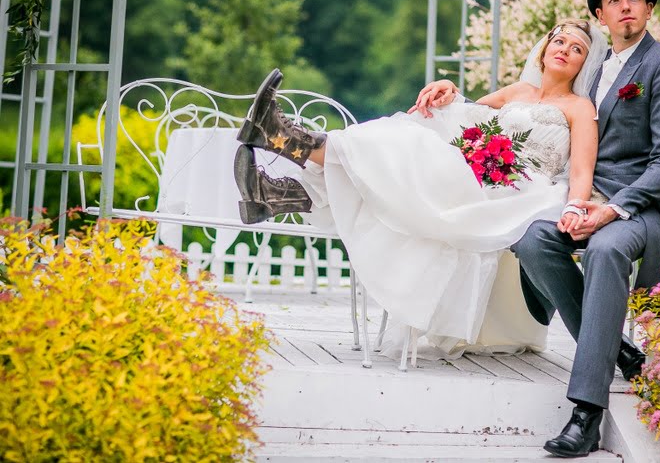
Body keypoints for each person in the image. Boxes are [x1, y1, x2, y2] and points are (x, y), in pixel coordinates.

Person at [232, 19, 607, 357]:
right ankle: (279, 181)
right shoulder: (517, 91)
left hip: (522, 191)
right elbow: (467, 115)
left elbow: (581, 171)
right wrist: (448, 91)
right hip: (483, 173)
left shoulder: (579, 108)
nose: (565, 50)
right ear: (544, 49)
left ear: (583, 64)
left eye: (577, 50)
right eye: (560, 41)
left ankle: (282, 170)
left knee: (408, 155)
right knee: (403, 148)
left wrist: (576, 206)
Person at [500, 0, 660, 458]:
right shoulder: (588, 76)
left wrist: (612, 209)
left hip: (645, 207)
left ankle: (586, 414)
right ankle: (622, 352)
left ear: (649, 9)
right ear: (602, 16)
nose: (625, 7)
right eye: (614, 1)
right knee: (530, 238)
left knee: (608, 250)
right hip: (587, 199)